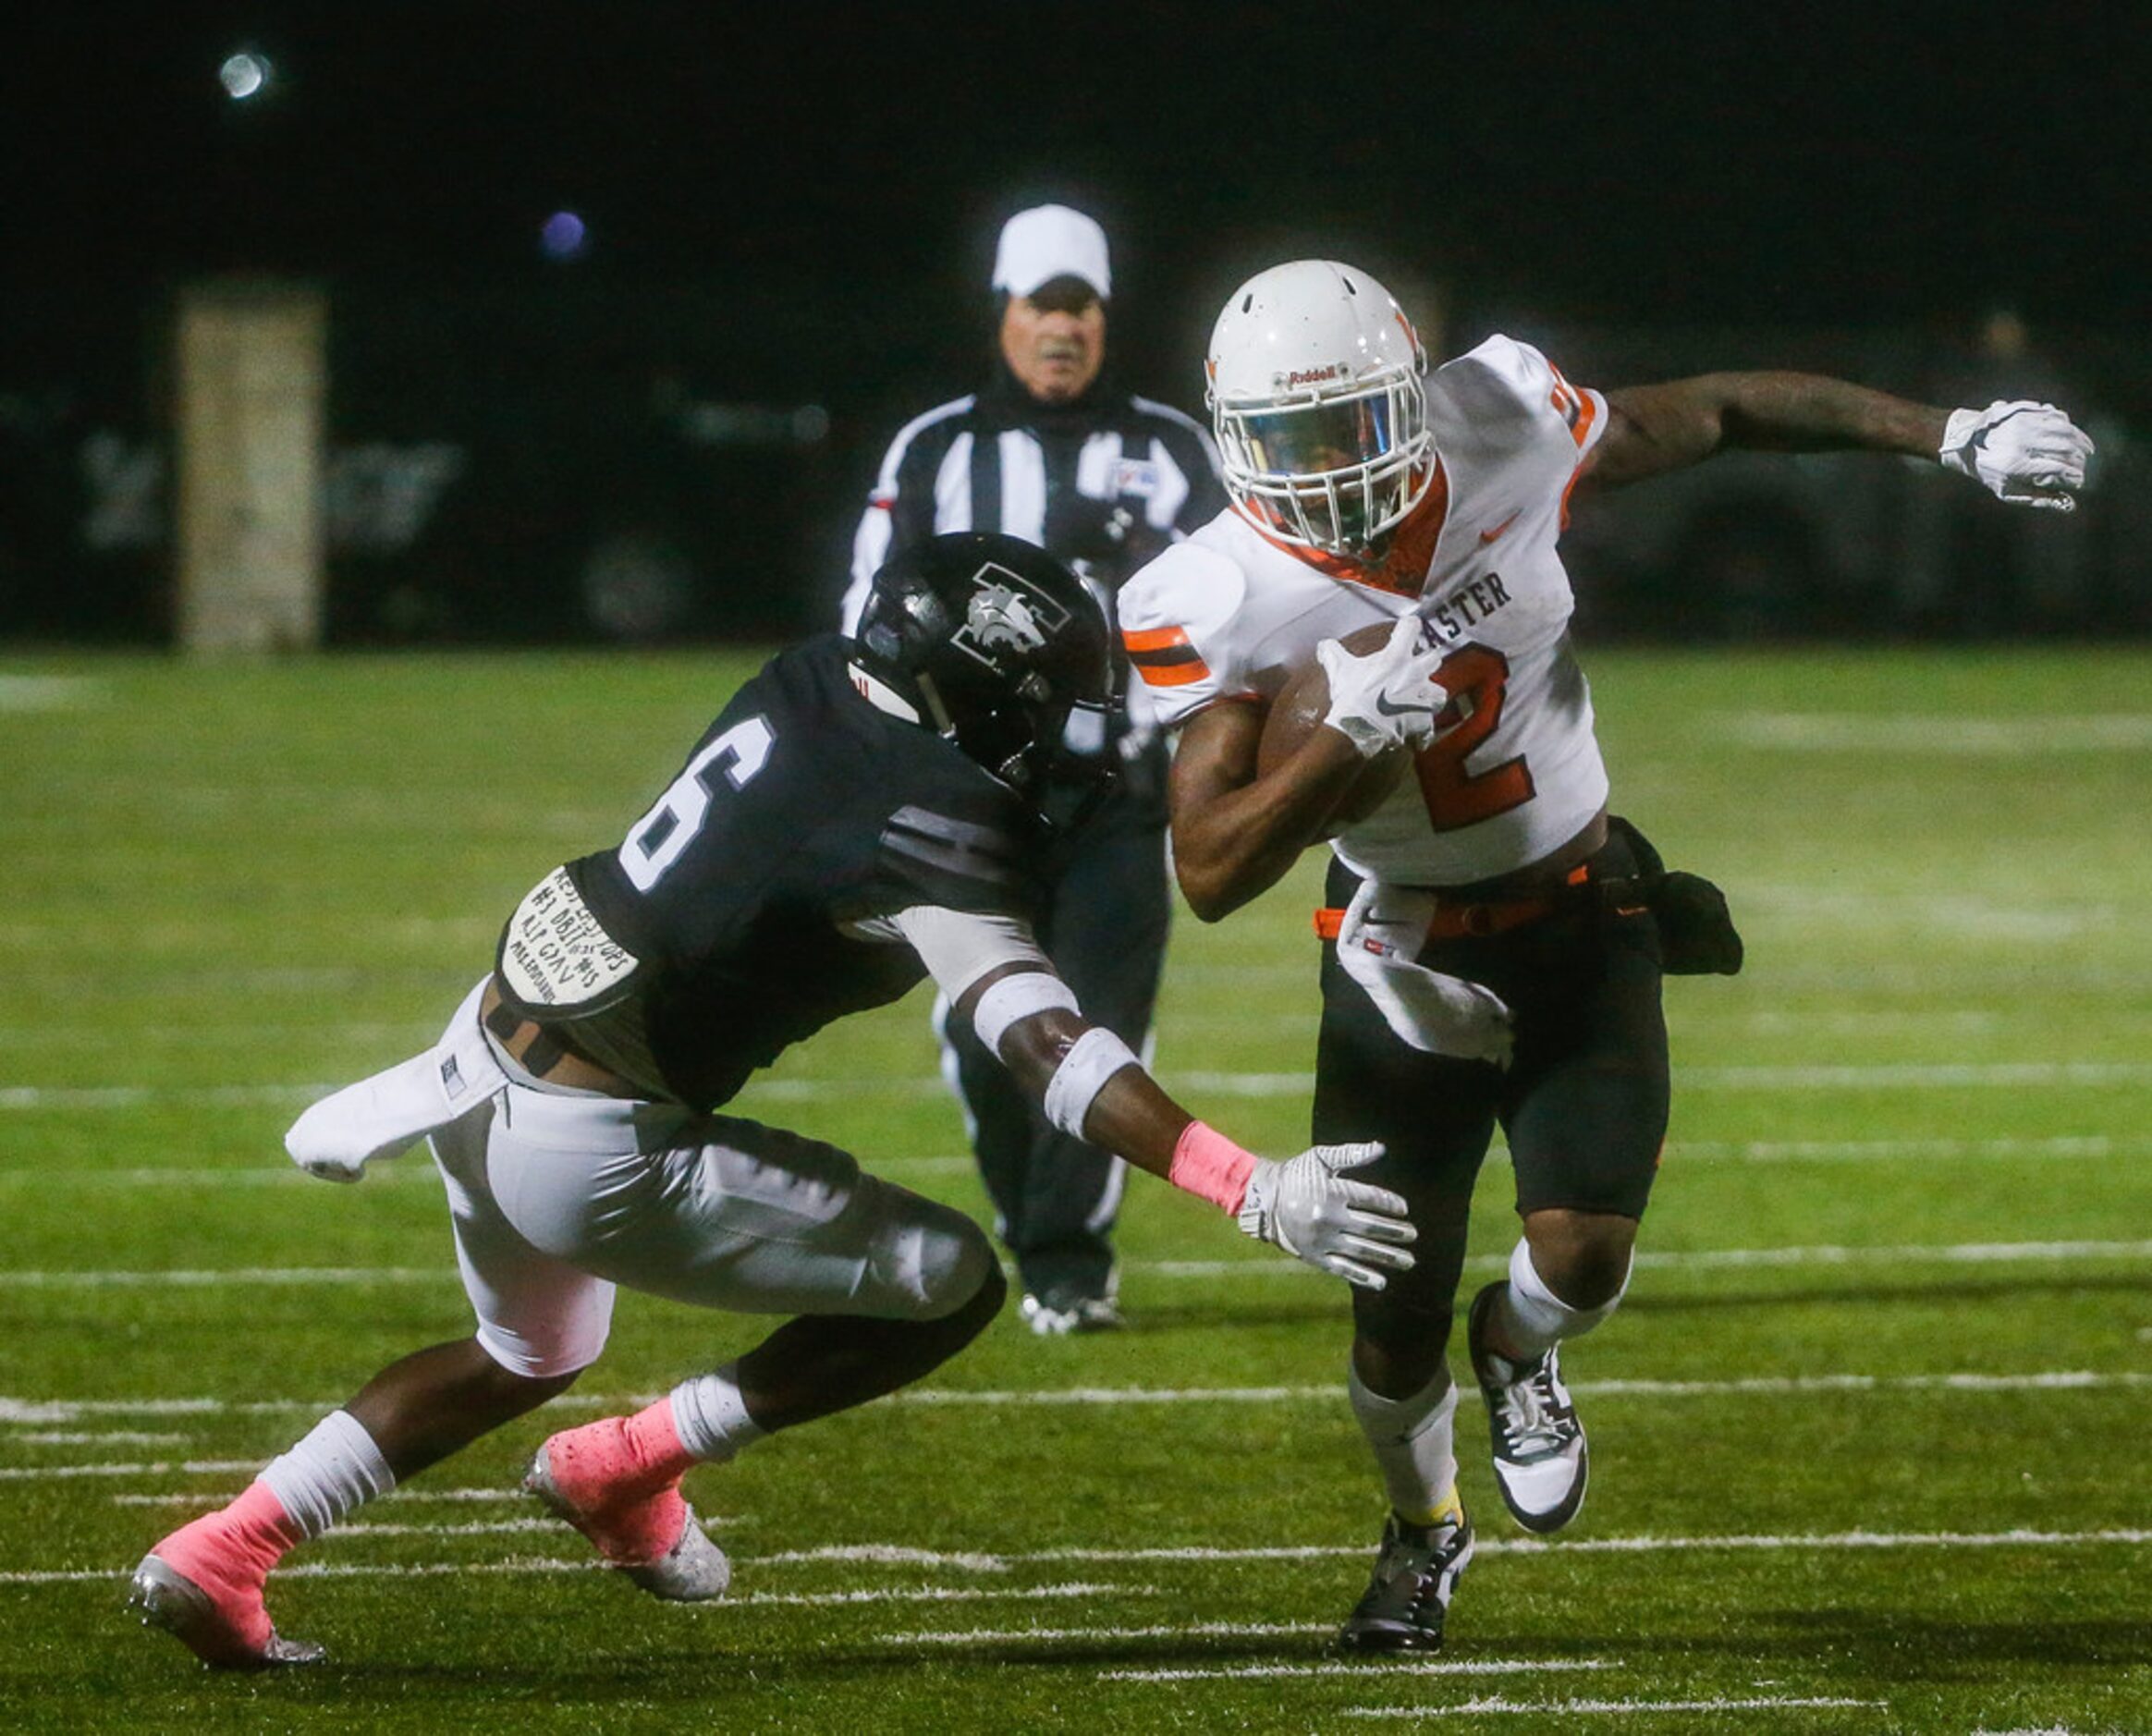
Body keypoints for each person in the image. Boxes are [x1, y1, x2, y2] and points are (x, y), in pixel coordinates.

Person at [127, 532, 1417, 1670]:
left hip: (486, 1038)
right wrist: (1244, 1183)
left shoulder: (810, 673)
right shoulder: (936, 820)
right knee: (952, 1279)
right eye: (1033, 703)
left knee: (530, 1350)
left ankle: (225, 1547)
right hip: (593, 1131)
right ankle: (633, 1459)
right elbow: (1046, 1048)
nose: (1048, 735)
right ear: (968, 691)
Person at [1116, 261, 2094, 1654]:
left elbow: (1725, 411)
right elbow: (1210, 870)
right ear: (1230, 438)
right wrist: (1348, 733)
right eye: (1294, 441)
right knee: (1390, 1322)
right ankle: (1422, 1531)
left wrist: (1948, 432)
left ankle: (1518, 1346)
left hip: (1583, 909)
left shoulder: (1501, 421)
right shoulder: (1217, 591)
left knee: (1583, 1255)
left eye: (1352, 426)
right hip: (1405, 957)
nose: (1329, 471)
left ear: (1414, 396)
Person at [838, 204, 1229, 1335]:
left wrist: (1145, 575)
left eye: (1081, 308)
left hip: (1116, 791)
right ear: (1003, 318)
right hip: (971, 796)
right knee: (978, 1032)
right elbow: (866, 606)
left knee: (1103, 1024)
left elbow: (1238, 602)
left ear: (1105, 321)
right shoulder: (937, 449)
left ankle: (1069, 1263)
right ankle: (1030, 1220)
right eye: (1041, 307)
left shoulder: (1171, 450)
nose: (1062, 329)